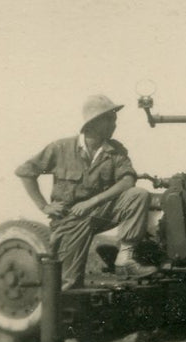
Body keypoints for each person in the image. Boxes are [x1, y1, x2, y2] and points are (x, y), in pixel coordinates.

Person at [16, 94, 156, 289]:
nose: (115, 124)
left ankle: (125, 259)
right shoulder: (61, 148)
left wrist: (92, 202)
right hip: (70, 220)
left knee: (138, 195)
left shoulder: (115, 150)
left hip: (100, 212)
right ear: (95, 122)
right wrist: (44, 206)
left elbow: (128, 181)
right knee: (69, 283)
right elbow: (25, 172)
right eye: (110, 119)